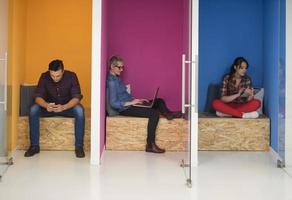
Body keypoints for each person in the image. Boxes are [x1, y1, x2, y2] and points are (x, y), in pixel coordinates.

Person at [107, 56, 182, 153]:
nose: (122, 70)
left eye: (122, 67)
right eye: (119, 67)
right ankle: (150, 145)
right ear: (112, 66)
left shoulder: (117, 78)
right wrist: (131, 102)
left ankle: (169, 114)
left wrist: (136, 100)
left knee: (159, 101)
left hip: (131, 103)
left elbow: (124, 95)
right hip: (125, 108)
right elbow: (113, 103)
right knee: (154, 113)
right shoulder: (112, 82)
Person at [24, 60, 85, 158]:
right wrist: (46, 105)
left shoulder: (72, 76)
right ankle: (34, 146)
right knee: (33, 110)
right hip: (49, 108)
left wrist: (64, 107)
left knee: (79, 111)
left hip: (67, 107)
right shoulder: (44, 76)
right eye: (52, 76)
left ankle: (79, 147)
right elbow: (37, 97)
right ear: (49, 72)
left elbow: (76, 97)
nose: (55, 78)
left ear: (63, 71)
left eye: (58, 76)